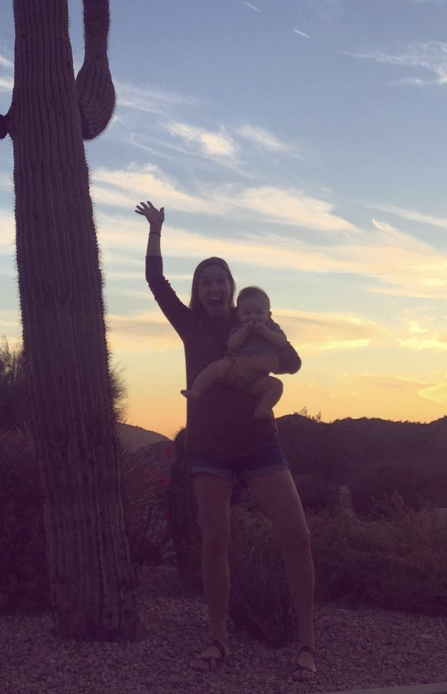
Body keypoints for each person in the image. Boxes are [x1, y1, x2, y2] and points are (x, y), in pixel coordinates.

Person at [135, 201, 316, 681]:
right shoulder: (190, 324)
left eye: (221, 280)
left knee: (297, 537)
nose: (214, 288)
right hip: (210, 449)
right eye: (205, 282)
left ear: (232, 289)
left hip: (260, 443)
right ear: (199, 291)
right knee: (214, 546)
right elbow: (156, 284)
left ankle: (306, 643)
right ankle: (218, 640)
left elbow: (293, 362)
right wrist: (156, 231)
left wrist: (267, 355)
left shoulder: (251, 323)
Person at [182, 285, 286, 421]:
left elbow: (282, 342)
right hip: (232, 365)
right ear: (239, 316)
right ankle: (196, 391)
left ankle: (264, 407)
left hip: (257, 379)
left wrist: (266, 332)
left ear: (268, 315)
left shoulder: (271, 327)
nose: (253, 317)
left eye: (258, 312)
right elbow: (232, 345)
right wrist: (244, 332)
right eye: (247, 314)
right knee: (214, 368)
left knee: (276, 385)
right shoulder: (238, 328)